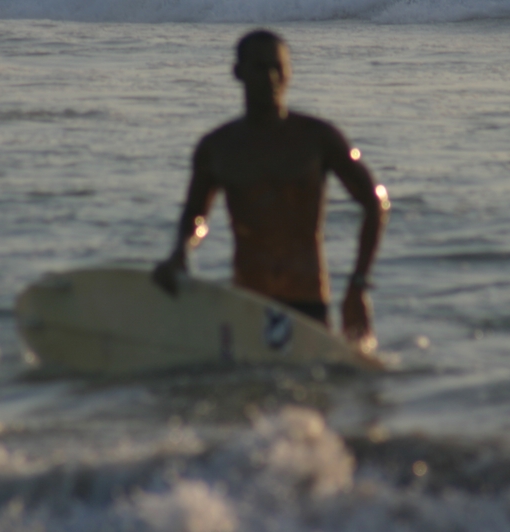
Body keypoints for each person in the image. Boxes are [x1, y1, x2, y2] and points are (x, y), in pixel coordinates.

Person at [152, 30, 390, 351]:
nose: (271, 77)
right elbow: (195, 215)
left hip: (307, 306)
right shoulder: (218, 148)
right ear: (238, 72)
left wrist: (358, 285)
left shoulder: (317, 139)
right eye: (260, 67)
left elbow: (374, 203)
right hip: (248, 305)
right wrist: (180, 253)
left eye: (279, 68)